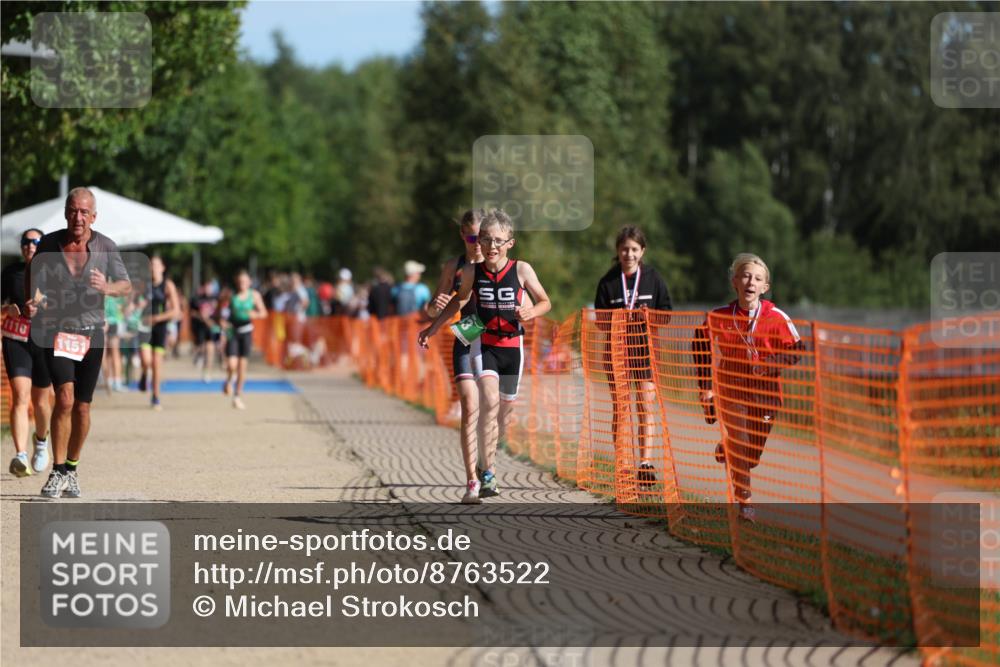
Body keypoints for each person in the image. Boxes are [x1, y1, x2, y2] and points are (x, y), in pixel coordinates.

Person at [419, 209, 551, 504]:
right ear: (469, 237)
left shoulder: (519, 269)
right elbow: (454, 302)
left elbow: (544, 301)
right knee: (477, 402)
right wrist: (432, 322)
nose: (487, 245)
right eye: (480, 239)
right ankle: (476, 479)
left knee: (502, 415)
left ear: (508, 243)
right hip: (475, 336)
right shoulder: (461, 268)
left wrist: (529, 311)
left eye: (495, 240)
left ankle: (485, 462)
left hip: (504, 340)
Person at [28, 187, 130, 498]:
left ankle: (71, 467)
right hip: (58, 331)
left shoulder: (106, 247)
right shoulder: (48, 244)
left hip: (92, 333)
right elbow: (33, 278)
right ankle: (57, 471)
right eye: (73, 210)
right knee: (65, 399)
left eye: (84, 212)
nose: (78, 217)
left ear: (94, 216)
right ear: (65, 213)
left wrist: (107, 287)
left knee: (83, 408)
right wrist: (32, 301)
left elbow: (126, 285)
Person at [693, 253, 804, 522]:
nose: (750, 282)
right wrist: (705, 387)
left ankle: (729, 450)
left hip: (766, 395)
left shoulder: (776, 316)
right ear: (735, 282)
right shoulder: (719, 317)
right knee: (741, 444)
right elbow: (700, 345)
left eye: (757, 278)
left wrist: (769, 365)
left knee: (751, 456)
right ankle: (746, 504)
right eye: (745, 275)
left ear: (765, 287)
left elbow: (798, 349)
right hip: (731, 391)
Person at [594, 225, 673, 488]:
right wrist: (618, 318)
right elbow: (600, 322)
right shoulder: (608, 282)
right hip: (616, 353)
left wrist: (649, 316)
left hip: (645, 351)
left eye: (634, 249)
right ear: (618, 251)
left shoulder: (653, 278)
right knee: (621, 408)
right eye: (625, 249)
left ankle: (645, 463)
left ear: (642, 252)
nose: (629, 254)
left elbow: (667, 314)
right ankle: (623, 462)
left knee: (645, 406)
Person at [425, 209, 486, 499]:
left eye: (482, 237)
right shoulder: (454, 266)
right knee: (468, 404)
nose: (477, 242)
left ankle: (488, 466)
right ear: (463, 235)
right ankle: (471, 478)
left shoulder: (495, 263)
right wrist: (435, 307)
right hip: (466, 330)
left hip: (493, 337)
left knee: (492, 409)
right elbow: (434, 307)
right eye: (472, 236)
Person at [1, 228, 52, 478]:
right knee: (20, 396)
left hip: (43, 340)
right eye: (25, 242)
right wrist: (6, 309)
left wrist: (45, 305)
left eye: (35, 242)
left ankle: (41, 442)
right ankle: (21, 455)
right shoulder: (10, 272)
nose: (30, 246)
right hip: (15, 338)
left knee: (41, 400)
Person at [138, 256, 181, 410]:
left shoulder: (167, 285)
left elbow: (176, 310)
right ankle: (144, 374)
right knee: (146, 361)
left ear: (162, 268)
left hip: (160, 328)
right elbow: (134, 302)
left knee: (156, 364)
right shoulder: (144, 284)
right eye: (151, 265)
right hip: (144, 327)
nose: (153, 268)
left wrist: (157, 318)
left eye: (156, 265)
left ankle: (155, 397)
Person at [222, 270, 267, 410]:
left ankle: (237, 396)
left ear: (249, 283)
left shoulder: (254, 295)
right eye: (240, 281)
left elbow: (264, 313)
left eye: (245, 281)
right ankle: (229, 380)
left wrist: (255, 314)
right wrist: (223, 322)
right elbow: (223, 313)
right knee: (231, 364)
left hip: (246, 332)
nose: (242, 284)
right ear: (237, 282)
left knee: (242, 366)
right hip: (233, 332)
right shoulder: (231, 295)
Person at [101, 292, 127, 392]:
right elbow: (121, 308)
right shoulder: (115, 291)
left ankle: (111, 381)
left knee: (108, 354)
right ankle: (115, 381)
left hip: (106, 323)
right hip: (112, 323)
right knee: (114, 353)